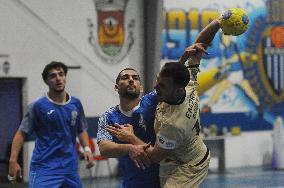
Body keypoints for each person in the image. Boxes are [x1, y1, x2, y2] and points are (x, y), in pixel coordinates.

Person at [107, 18, 222, 188]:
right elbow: (200, 46)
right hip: (175, 157)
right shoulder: (187, 83)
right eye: (157, 81)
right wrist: (217, 23)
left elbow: (154, 156)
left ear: (176, 90)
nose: (155, 87)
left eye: (161, 85)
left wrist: (130, 137)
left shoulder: (173, 124)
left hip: (190, 165)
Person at [8, 61, 94, 187]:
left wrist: (87, 149)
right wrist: (13, 160)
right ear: (47, 81)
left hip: (70, 168)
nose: (58, 78)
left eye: (61, 74)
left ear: (65, 77)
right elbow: (21, 133)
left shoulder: (76, 104)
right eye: (53, 76)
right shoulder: (38, 106)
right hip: (45, 168)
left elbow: (81, 130)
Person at [96, 68, 160, 188]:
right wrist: (130, 148)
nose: (131, 80)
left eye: (135, 78)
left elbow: (172, 80)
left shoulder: (152, 101)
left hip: (162, 181)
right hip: (131, 183)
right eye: (125, 78)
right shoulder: (108, 116)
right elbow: (104, 148)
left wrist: (185, 59)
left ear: (141, 87)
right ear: (116, 87)